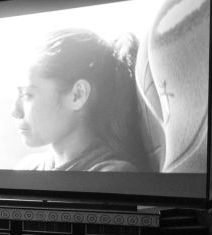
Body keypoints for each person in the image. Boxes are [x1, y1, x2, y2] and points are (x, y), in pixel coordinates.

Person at [13, 29, 152, 172]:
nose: (15, 112)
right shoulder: (27, 168)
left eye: (27, 95)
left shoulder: (111, 176)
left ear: (77, 95)